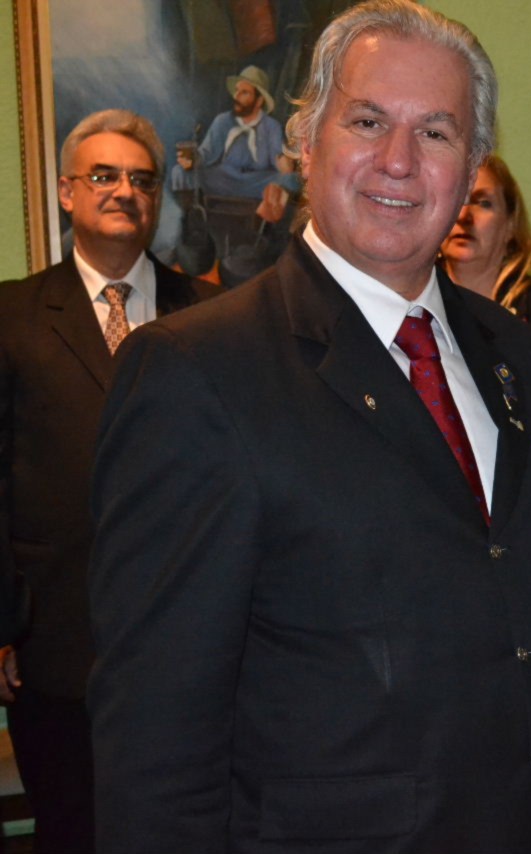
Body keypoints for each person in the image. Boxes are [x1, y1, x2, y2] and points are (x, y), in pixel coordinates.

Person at [87, 3, 531, 852]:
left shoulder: (514, 352)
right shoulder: (196, 371)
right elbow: (155, 735)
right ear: (306, 143)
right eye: (368, 121)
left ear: (470, 170)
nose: (399, 161)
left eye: (436, 133)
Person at [0, 108, 216, 854]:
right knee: (72, 832)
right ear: (67, 192)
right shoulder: (12, 315)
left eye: (141, 179)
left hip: (195, 640)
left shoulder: (212, 315)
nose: (125, 191)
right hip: (55, 645)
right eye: (103, 175)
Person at [440, 153, 531, 510]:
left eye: (483, 203)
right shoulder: (410, 316)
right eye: (456, 199)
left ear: (510, 227)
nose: (464, 216)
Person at [174, 65, 290, 200]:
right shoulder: (223, 121)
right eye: (237, 91)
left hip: (256, 183)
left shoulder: (271, 126)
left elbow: (278, 157)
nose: (236, 96)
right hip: (223, 180)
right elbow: (206, 153)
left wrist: (285, 164)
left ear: (259, 101)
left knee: (290, 180)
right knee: (179, 172)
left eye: (244, 92)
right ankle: (189, 212)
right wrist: (192, 159)